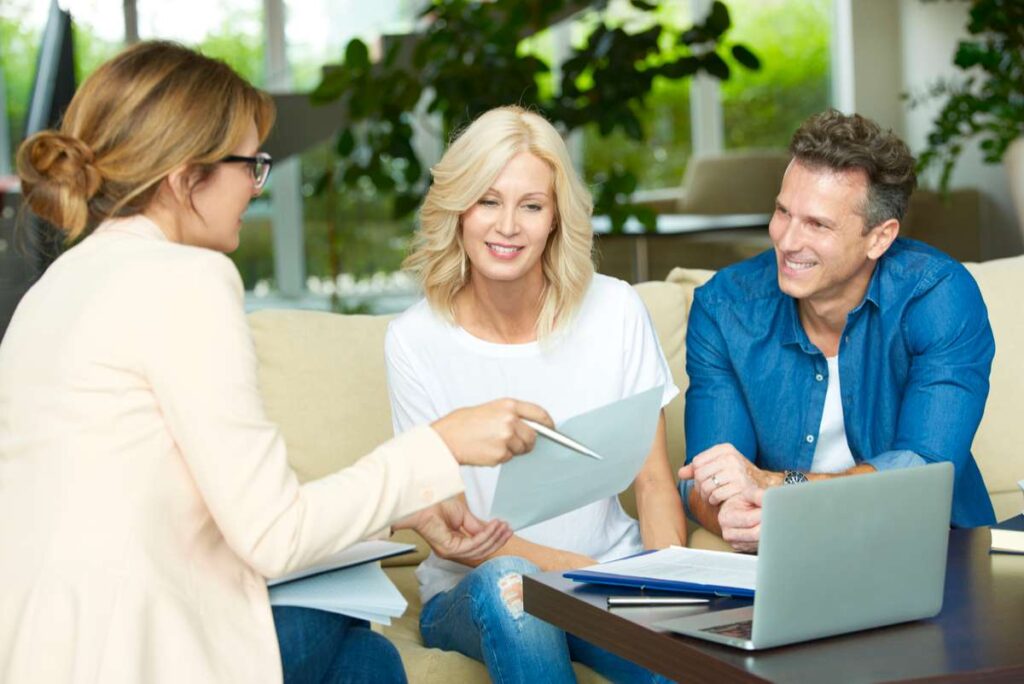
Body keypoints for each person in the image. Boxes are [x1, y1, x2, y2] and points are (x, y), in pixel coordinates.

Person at [0, 42, 556, 684]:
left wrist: (407, 503)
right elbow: (273, 535)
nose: (256, 185)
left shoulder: (58, 286)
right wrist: (439, 444)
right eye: (249, 164)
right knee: (345, 634)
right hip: (129, 651)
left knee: (363, 657)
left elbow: (230, 512)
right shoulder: (185, 279)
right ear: (186, 178)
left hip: (43, 649)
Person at [385, 105, 685, 684]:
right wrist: (584, 575)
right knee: (514, 589)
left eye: (531, 205)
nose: (507, 226)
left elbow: (652, 481)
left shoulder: (616, 310)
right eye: (487, 200)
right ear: (458, 210)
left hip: (609, 577)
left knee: (678, 664)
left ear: (554, 218)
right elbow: (460, 534)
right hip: (479, 591)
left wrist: (667, 586)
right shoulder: (414, 341)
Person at [678, 109, 996, 552]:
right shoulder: (723, 308)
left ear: (879, 238)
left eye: (817, 224)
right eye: (783, 212)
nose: (787, 241)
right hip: (793, 553)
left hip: (929, 546)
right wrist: (733, 517)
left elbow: (923, 470)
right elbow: (702, 478)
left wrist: (778, 487)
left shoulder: (938, 296)